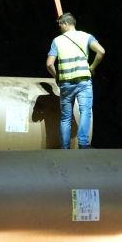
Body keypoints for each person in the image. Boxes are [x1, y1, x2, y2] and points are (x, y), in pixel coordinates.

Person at [46, 12, 105, 149]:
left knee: (66, 117)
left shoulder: (57, 41)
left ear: (65, 24)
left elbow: (49, 64)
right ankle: (83, 144)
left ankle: (64, 148)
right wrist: (92, 67)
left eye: (60, 24)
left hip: (66, 83)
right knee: (86, 111)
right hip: (84, 81)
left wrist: (57, 76)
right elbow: (101, 52)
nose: (59, 27)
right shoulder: (86, 37)